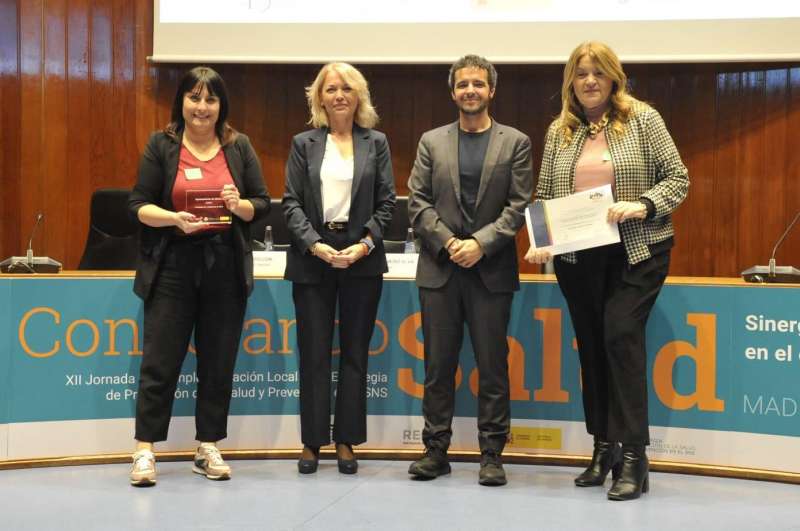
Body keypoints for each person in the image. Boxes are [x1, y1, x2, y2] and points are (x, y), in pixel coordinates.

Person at [526, 41, 689, 501]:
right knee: (593, 348)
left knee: (620, 336)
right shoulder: (560, 130)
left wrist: (642, 205)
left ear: (614, 77)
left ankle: (635, 456)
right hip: (579, 259)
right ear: (570, 82)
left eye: (598, 72)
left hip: (637, 253)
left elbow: (678, 178)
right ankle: (603, 447)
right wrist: (541, 243)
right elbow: (542, 193)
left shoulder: (643, 119)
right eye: (581, 74)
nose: (590, 81)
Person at [128, 66, 270, 486]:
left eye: (211, 99)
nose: (202, 107)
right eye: (194, 98)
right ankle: (144, 449)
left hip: (225, 266)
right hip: (173, 264)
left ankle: (207, 446)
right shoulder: (162, 144)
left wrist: (238, 203)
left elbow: (262, 204)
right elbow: (137, 205)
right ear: (182, 102)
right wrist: (174, 218)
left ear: (221, 105)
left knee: (218, 361)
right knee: (160, 361)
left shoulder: (239, 146)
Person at [407, 55, 533, 486]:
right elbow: (417, 202)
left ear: (491, 90)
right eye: (463, 84)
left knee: (492, 366)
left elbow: (519, 207)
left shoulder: (515, 142)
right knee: (438, 368)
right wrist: (449, 243)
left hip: (490, 271)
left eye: (478, 84)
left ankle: (492, 455)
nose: (470, 91)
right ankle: (435, 451)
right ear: (453, 91)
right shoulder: (431, 141)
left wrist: (480, 244)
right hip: (440, 271)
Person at [282, 62, 396, 475]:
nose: (339, 95)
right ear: (319, 97)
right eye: (331, 89)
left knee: (354, 353)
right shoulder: (303, 143)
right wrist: (315, 245)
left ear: (359, 95)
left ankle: (346, 440)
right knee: (313, 353)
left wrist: (364, 245)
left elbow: (388, 203)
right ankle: (312, 442)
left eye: (347, 87)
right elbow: (290, 203)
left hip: (361, 258)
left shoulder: (376, 142)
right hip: (313, 258)